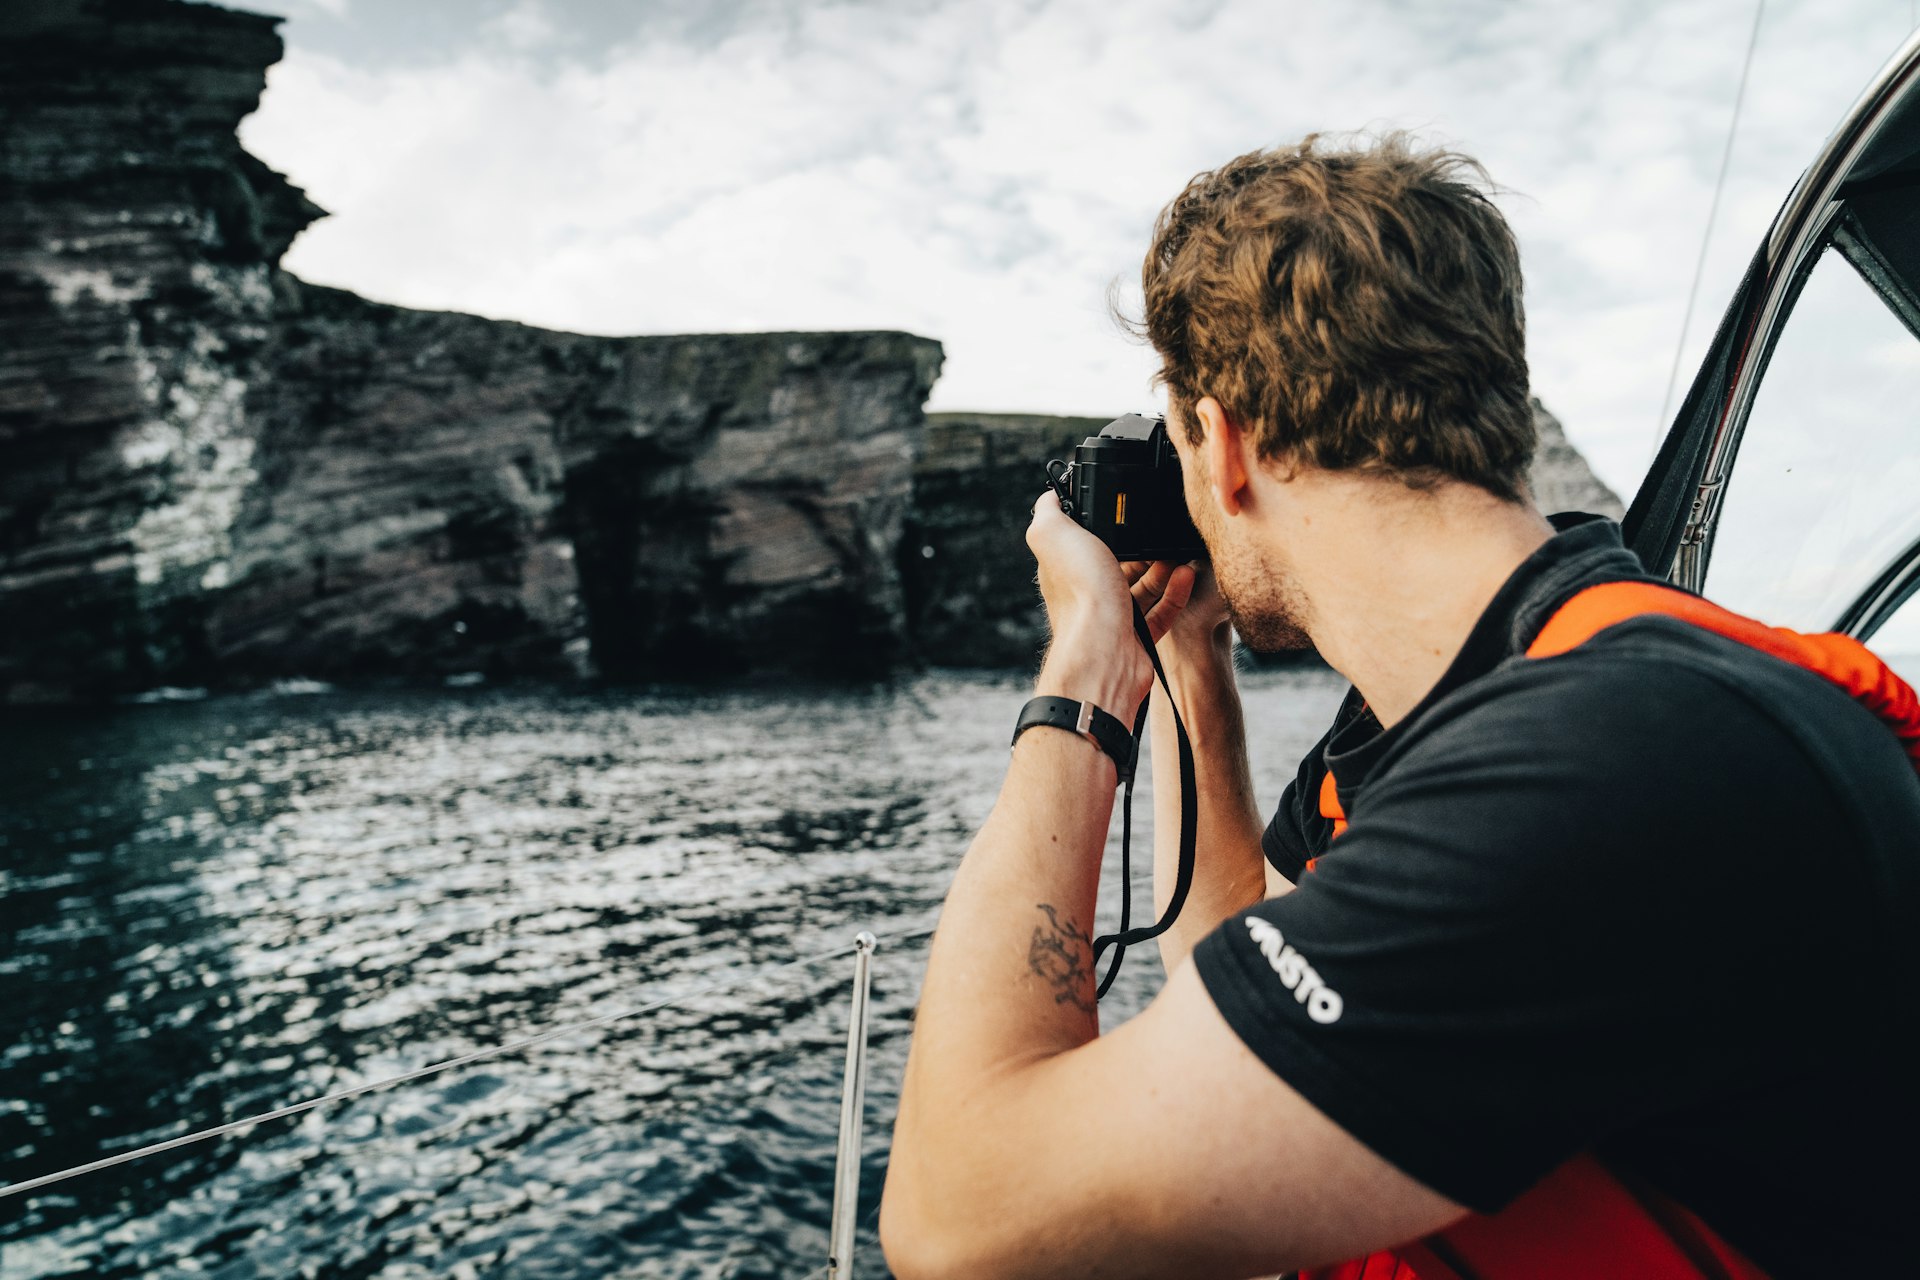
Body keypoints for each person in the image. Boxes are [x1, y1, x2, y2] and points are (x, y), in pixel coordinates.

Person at [877, 133, 1920, 1280]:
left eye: (1181, 443)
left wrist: (1081, 666)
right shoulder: (1481, 708)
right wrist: (1182, 656)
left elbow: (959, 1215)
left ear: (1223, 448)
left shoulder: (1612, 763)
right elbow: (1229, 959)